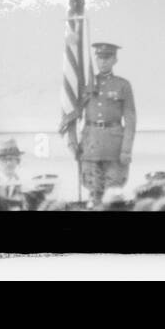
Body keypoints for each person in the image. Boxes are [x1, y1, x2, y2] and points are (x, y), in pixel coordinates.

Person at [66, 42, 137, 206]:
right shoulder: (85, 85)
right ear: (96, 60)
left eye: (108, 58)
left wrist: (126, 150)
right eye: (100, 58)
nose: (103, 62)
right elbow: (72, 114)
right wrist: (72, 141)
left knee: (113, 196)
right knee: (94, 194)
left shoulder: (123, 85)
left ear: (115, 60)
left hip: (114, 147)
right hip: (90, 145)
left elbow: (131, 119)